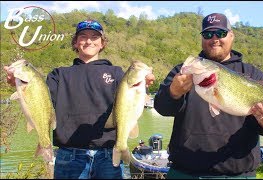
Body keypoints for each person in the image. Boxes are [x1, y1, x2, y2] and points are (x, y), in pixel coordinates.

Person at [4, 19, 155, 179]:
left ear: (102, 43)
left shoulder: (117, 73)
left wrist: (144, 85)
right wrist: (20, 85)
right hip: (69, 156)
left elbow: (129, 104)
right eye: (83, 36)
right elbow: (40, 102)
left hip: (108, 155)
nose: (89, 41)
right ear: (75, 42)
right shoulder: (59, 74)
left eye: (95, 37)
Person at [154, 13, 263, 179]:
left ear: (231, 35)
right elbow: (162, 108)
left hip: (238, 174)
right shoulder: (185, 71)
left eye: (220, 33)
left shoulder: (252, 74)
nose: (214, 38)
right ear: (202, 38)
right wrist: (173, 92)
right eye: (208, 34)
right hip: (185, 172)